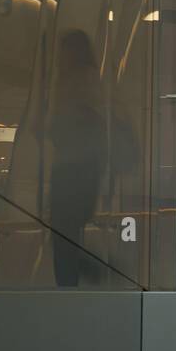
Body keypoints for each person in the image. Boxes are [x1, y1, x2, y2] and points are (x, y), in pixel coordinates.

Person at [47, 30, 107, 287]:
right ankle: (80, 278)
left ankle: (73, 283)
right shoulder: (81, 81)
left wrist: (52, 128)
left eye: (65, 50)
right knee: (65, 233)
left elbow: (75, 124)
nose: (61, 57)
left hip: (73, 170)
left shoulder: (78, 82)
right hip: (79, 169)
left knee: (62, 234)